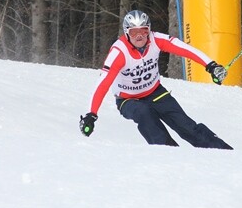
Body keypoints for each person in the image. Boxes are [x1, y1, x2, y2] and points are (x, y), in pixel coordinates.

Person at [80, 9, 233, 149]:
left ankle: (224, 152)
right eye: (133, 32)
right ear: (126, 33)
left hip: (155, 93)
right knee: (144, 113)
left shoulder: (156, 39)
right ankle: (169, 152)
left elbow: (185, 49)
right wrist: (91, 114)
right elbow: (103, 83)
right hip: (128, 100)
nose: (139, 36)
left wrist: (211, 65)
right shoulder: (119, 52)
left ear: (149, 30)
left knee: (186, 127)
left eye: (143, 30)